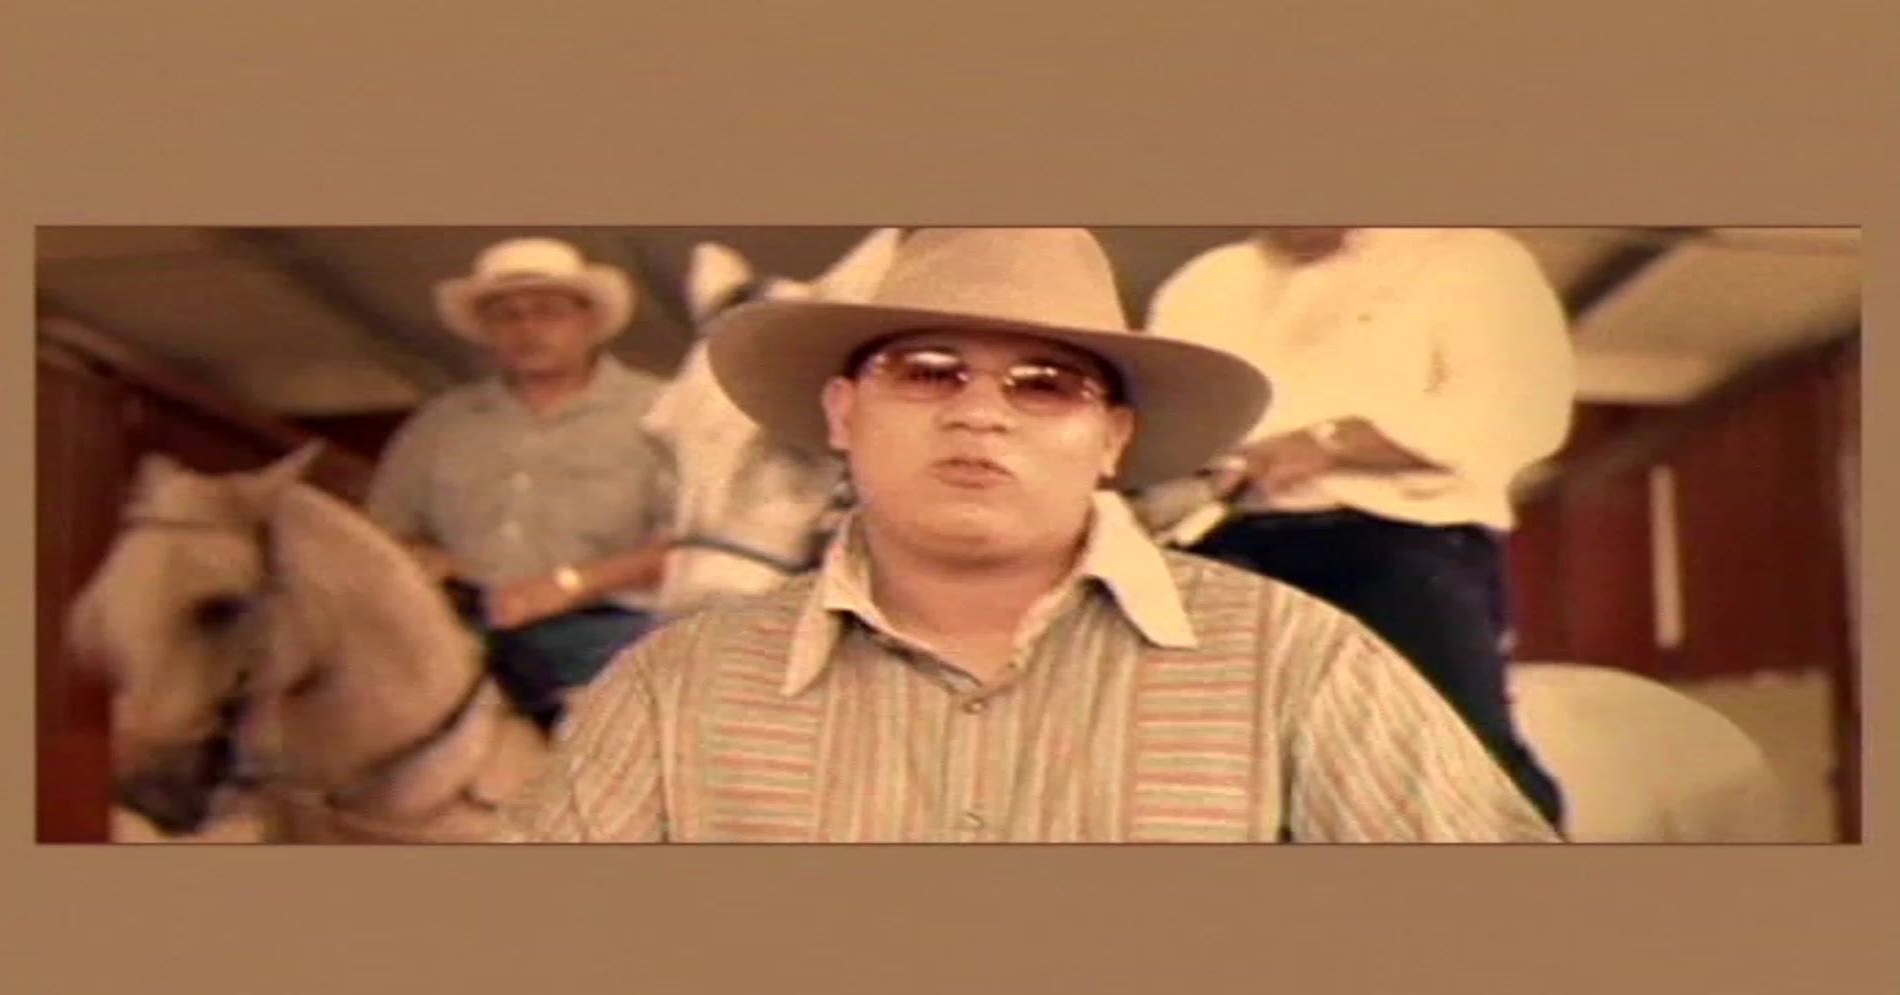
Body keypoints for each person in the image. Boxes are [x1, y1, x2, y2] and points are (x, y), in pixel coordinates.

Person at [491, 227, 1561, 843]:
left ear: (1111, 434)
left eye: (1046, 384)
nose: (981, 414)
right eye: (927, 373)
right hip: (1218, 519)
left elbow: (1512, 417)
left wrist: (1327, 443)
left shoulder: (1308, 664)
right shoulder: (673, 685)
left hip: (1396, 531)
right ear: (841, 415)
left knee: (1464, 724)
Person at [1135, 227, 1577, 827]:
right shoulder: (1207, 280)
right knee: (1221, 776)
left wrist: (1327, 444)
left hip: (1400, 544)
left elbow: (1517, 413)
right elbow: (1162, 421)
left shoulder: (1471, 260)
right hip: (1221, 546)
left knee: (1456, 761)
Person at [365, 236, 673, 731]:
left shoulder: (659, 413)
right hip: (459, 627)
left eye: (548, 312)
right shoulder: (442, 423)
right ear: (486, 331)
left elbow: (691, 540)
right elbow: (384, 530)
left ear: (589, 320)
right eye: (506, 316)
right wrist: (428, 559)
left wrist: (569, 585)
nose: (527, 329)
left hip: (605, 629)